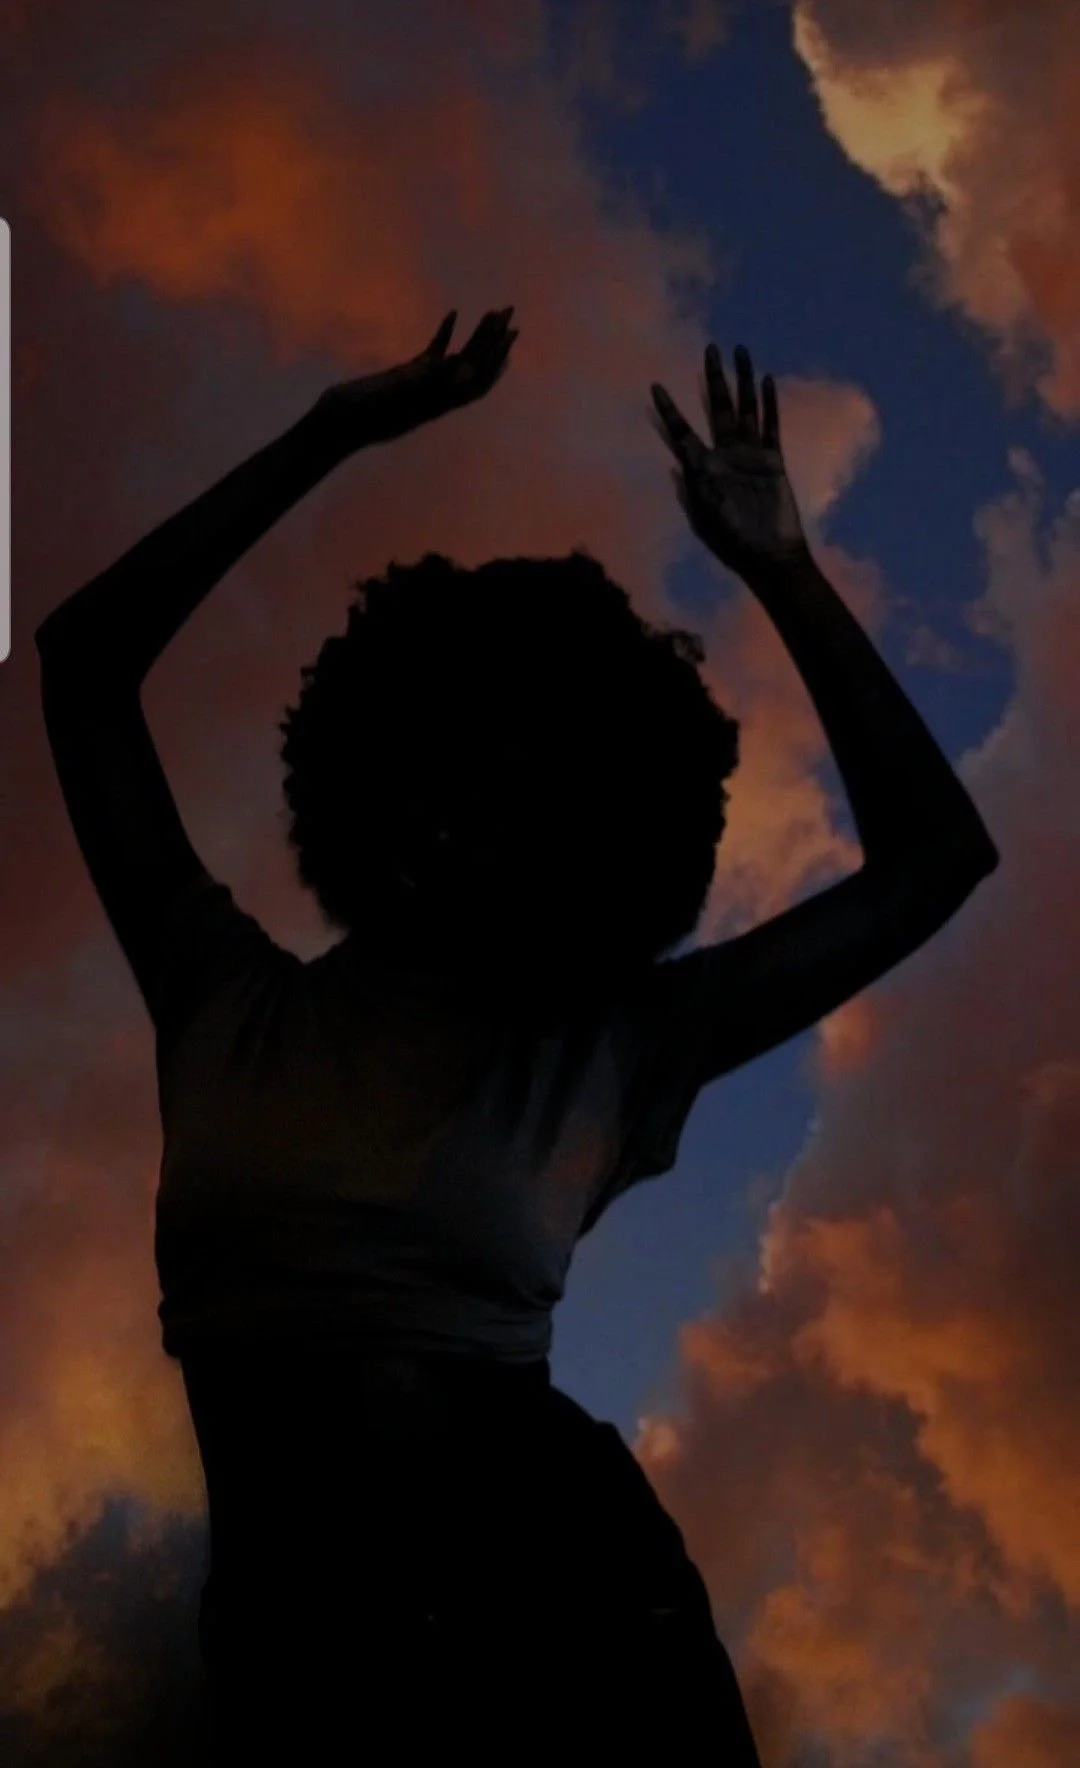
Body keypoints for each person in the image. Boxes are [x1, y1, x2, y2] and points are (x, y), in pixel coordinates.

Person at [34, 305, 999, 1761]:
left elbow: (935, 859)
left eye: (512, 797)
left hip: (587, 1639)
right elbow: (84, 664)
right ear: (376, 775)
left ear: (575, 839)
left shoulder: (618, 1048)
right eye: (444, 777)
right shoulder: (222, 998)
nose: (456, 827)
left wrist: (784, 570)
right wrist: (333, 432)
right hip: (309, 1673)